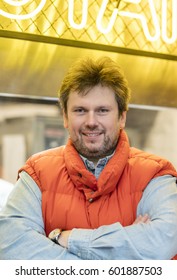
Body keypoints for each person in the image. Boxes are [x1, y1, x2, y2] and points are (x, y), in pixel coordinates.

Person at [0, 56, 177, 260]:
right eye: (80, 110)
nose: (91, 122)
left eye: (102, 110)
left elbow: (165, 240)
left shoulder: (155, 174)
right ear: (65, 117)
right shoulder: (36, 173)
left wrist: (67, 240)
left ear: (122, 117)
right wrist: (122, 254)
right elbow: (10, 245)